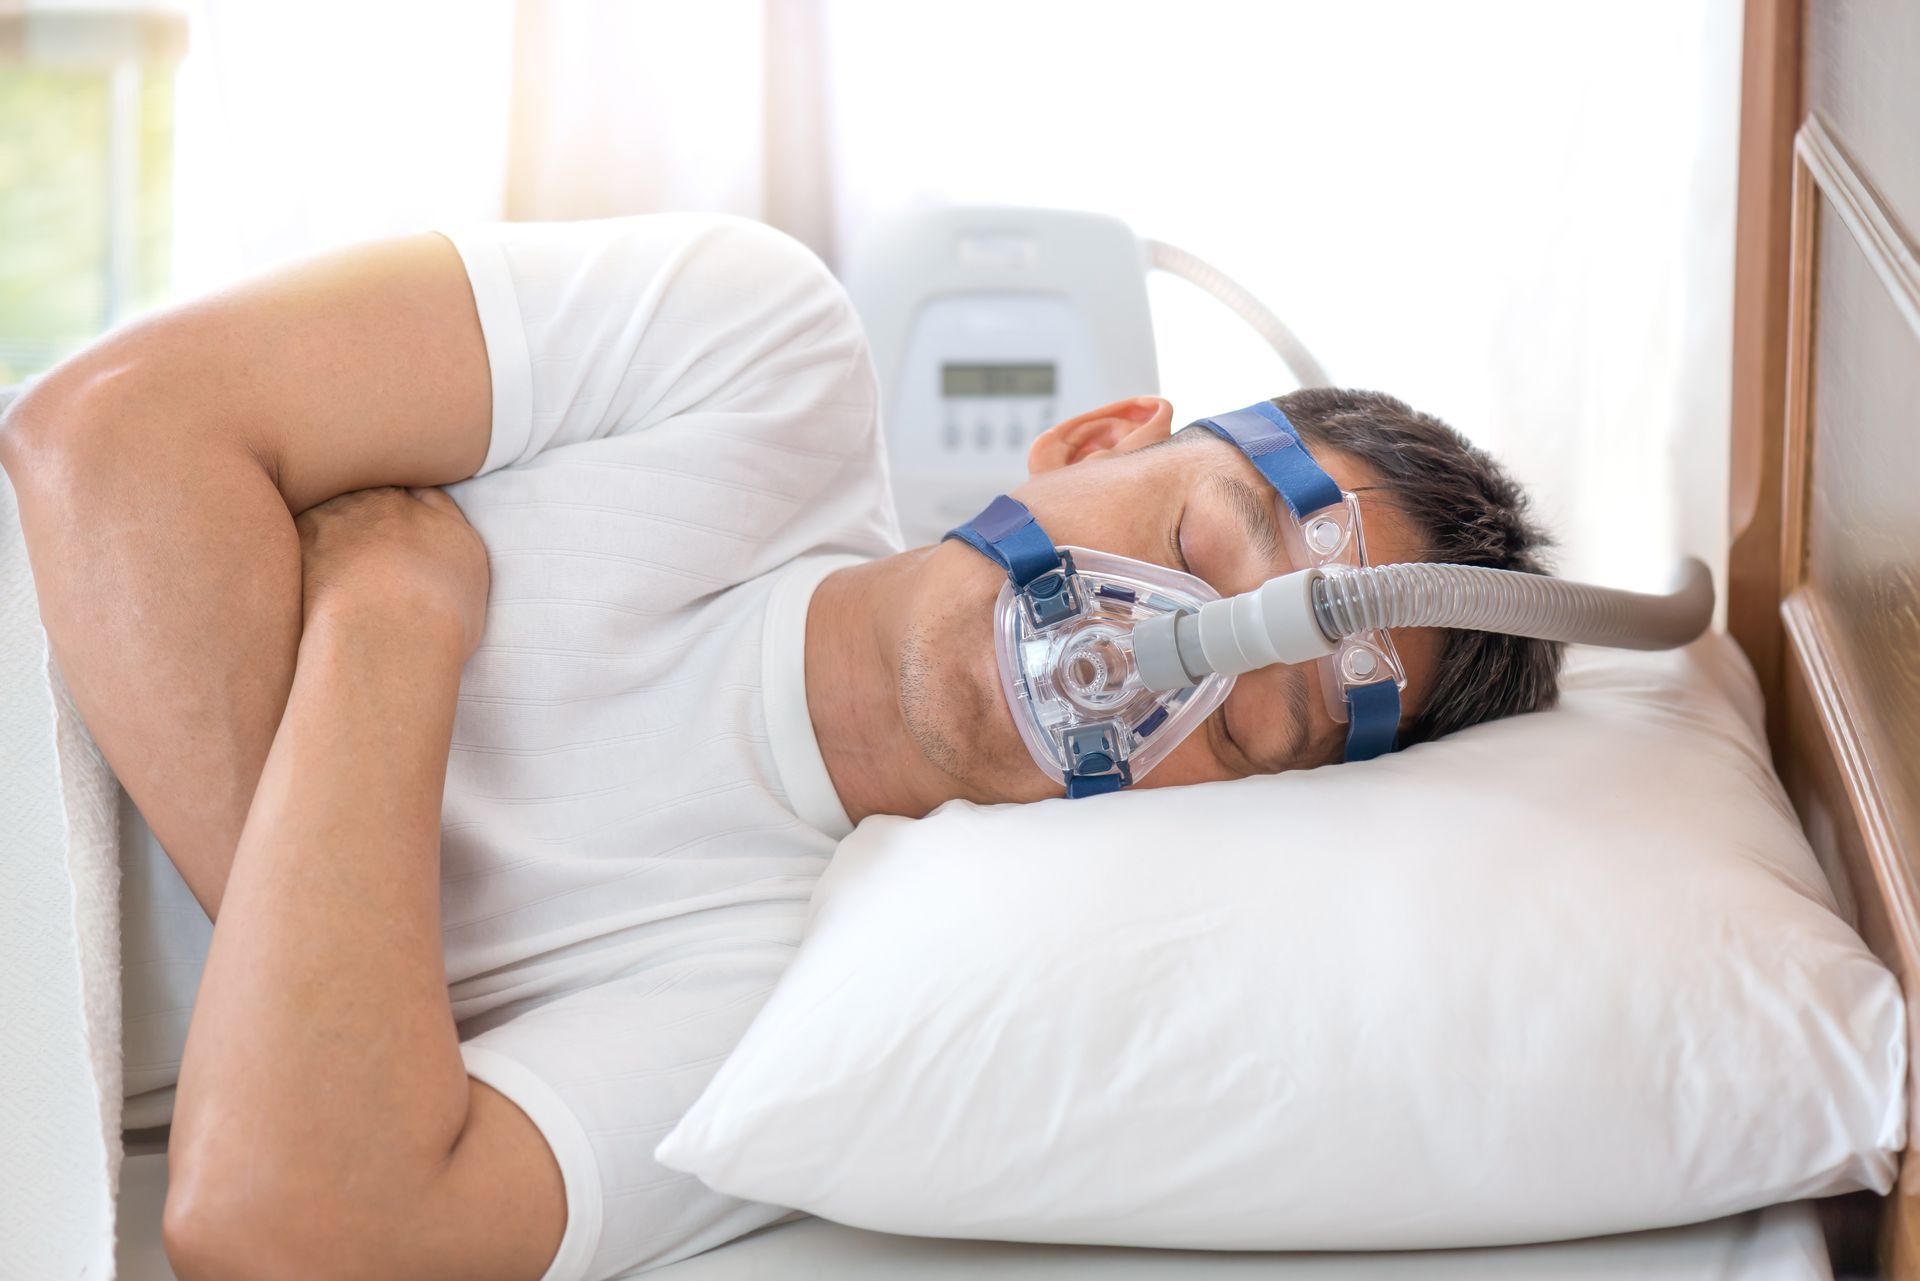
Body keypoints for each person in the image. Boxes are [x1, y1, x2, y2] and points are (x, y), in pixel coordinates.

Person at [0, 213, 1559, 1281]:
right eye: (1189, 541)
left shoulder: (787, 1024)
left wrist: (387, 630)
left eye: (1248, 716)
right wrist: (344, 1015)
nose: (1146, 643)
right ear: (1095, 439)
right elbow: (106, 431)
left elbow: (291, 1231)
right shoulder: (750, 357)